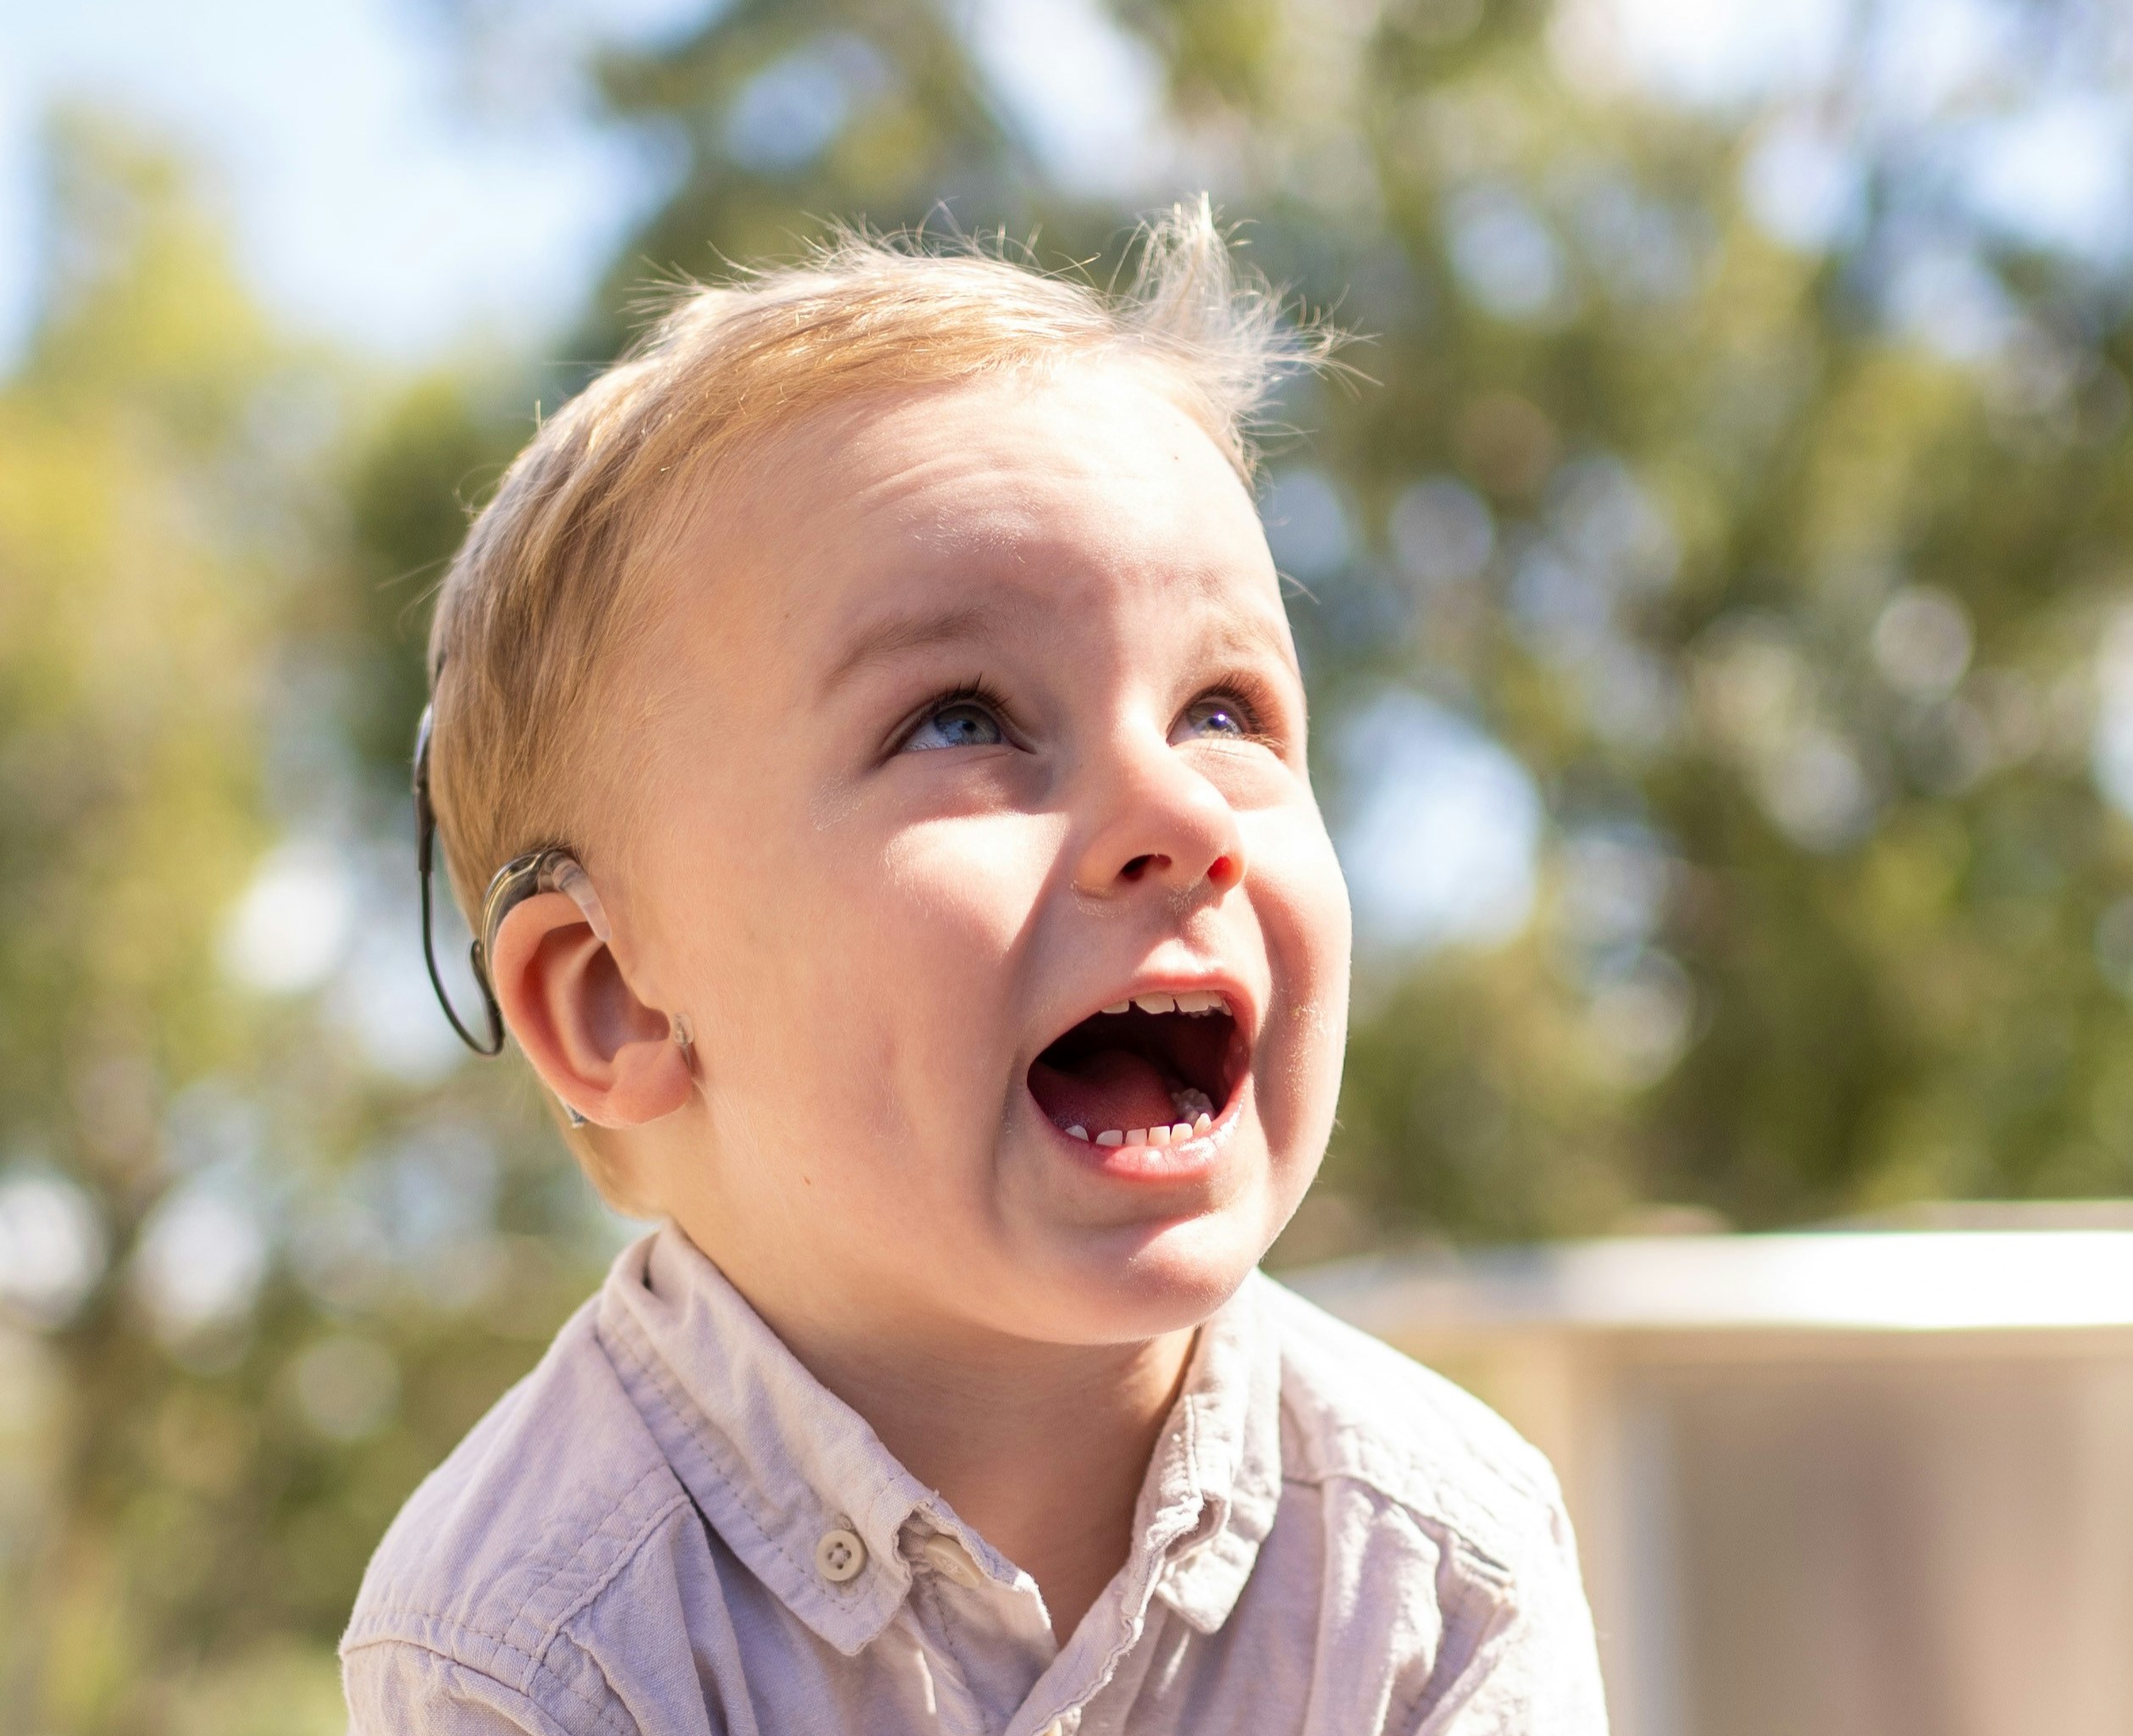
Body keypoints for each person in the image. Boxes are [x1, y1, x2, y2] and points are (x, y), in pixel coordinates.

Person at [341, 200, 1608, 1735]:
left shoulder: (1431, 1568)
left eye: (1222, 710)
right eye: (961, 718)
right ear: (614, 999)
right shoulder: (541, 1640)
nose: (1177, 813)